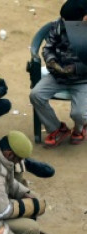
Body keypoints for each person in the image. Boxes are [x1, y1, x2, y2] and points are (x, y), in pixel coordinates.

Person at [30, 0, 87, 147]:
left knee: (79, 114)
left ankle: (79, 129)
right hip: (57, 76)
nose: (65, 25)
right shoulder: (59, 25)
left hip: (82, 81)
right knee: (36, 95)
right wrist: (51, 61)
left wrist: (74, 68)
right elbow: (48, 48)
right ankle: (57, 128)